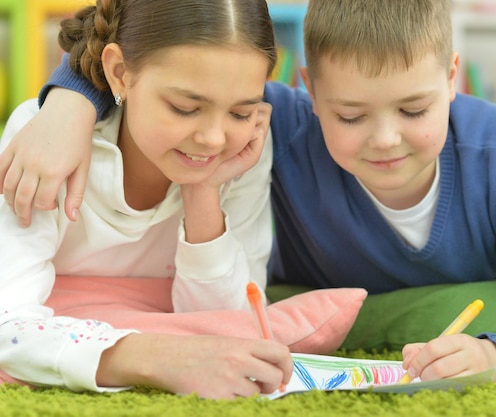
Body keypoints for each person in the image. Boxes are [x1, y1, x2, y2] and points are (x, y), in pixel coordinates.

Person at [0, 0, 496, 382]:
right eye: (349, 116)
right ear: (308, 91)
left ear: (452, 77)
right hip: (296, 303)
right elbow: (152, 58)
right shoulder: (272, 121)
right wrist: (68, 104)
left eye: (414, 108)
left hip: (451, 314)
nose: (385, 139)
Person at [0, 0, 293, 399]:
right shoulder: (45, 139)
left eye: (240, 113)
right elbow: (6, 324)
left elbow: (231, 324)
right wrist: (154, 357)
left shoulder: (242, 152)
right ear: (120, 73)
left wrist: (201, 190)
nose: (213, 138)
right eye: (185, 108)